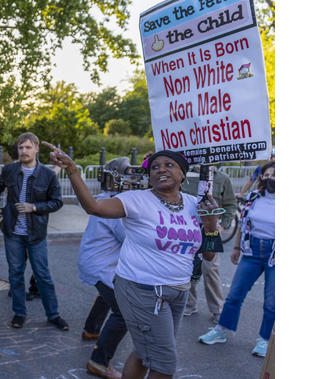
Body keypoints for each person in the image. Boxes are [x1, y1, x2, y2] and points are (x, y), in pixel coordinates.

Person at [45, 142, 220, 379]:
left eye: (169, 165)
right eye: (155, 167)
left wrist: (211, 228)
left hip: (179, 290)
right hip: (144, 290)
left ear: (182, 174)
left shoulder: (193, 204)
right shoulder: (136, 200)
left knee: (143, 351)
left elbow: (208, 255)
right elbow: (93, 207)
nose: (161, 169)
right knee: (164, 362)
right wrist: (72, 169)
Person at [198, 161, 275, 358]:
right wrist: (236, 247)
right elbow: (243, 223)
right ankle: (221, 330)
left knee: (271, 303)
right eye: (266, 175)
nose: (269, 179)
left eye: (274, 175)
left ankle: (265, 340)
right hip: (252, 251)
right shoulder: (255, 196)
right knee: (234, 295)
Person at [0, 133, 66, 330]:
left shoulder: (48, 175)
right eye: (21, 147)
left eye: (28, 147)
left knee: (43, 275)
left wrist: (34, 207)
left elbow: (57, 202)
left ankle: (53, 314)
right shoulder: (9, 170)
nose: (24, 151)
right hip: (13, 233)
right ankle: (19, 313)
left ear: (36, 149)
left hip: (36, 234)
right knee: (15, 274)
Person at [77, 158, 131, 379]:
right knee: (125, 312)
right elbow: (127, 237)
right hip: (101, 265)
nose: (133, 176)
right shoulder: (115, 204)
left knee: (107, 294)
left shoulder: (107, 198)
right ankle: (99, 362)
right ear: (118, 176)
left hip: (99, 262)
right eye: (128, 172)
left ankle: (91, 330)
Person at [182, 164, 237, 323]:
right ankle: (189, 304)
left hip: (210, 229)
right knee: (188, 267)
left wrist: (222, 225)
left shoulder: (222, 178)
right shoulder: (186, 176)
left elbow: (230, 204)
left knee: (210, 268)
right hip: (187, 230)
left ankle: (217, 309)